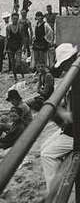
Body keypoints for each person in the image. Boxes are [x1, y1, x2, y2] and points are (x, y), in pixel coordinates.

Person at [40, 44, 78, 193]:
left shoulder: (76, 81)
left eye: (63, 65)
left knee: (47, 154)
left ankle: (55, 194)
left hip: (75, 132)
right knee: (44, 145)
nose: (62, 69)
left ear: (69, 61)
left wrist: (56, 109)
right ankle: (61, 179)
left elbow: (72, 117)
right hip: (72, 128)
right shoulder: (75, 77)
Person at [6, 13, 24, 81]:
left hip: (18, 46)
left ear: (18, 19)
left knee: (18, 63)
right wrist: (5, 48)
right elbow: (7, 38)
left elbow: (23, 37)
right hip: (11, 47)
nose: (15, 20)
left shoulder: (20, 27)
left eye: (16, 19)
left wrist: (23, 47)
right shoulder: (8, 27)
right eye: (14, 19)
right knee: (12, 63)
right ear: (11, 19)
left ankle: (22, 74)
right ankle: (15, 77)